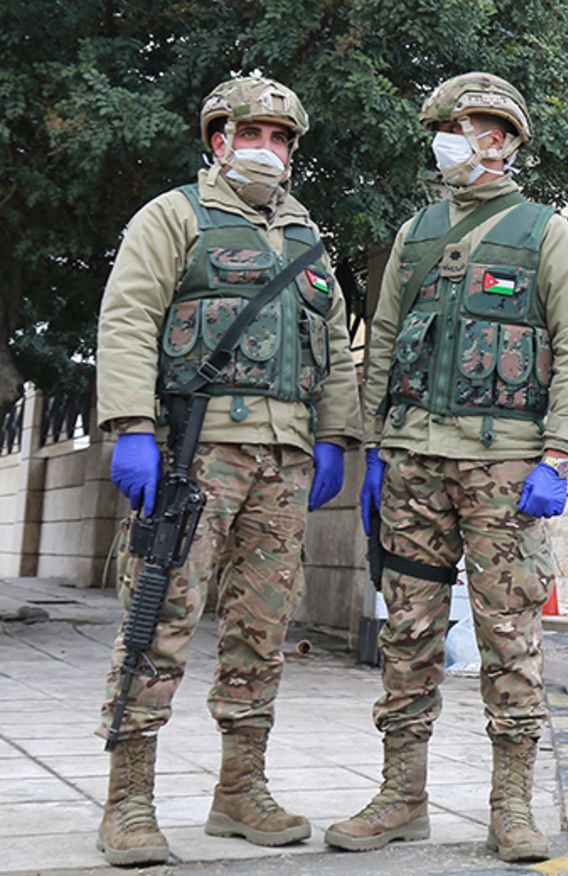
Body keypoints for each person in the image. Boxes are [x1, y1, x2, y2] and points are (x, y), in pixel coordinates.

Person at [325, 72, 568, 863]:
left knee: (509, 637)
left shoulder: (545, 233)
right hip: (413, 467)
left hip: (505, 470)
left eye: (480, 125)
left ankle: (511, 807)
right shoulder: (415, 234)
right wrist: (373, 446)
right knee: (408, 634)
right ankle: (400, 797)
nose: (463, 137)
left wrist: (554, 453)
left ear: (509, 141)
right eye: (453, 124)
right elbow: (383, 340)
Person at [94, 77, 362, 865]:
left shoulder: (308, 240)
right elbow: (130, 316)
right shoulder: (174, 216)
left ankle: (239, 791)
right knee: (160, 620)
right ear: (218, 139)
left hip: (283, 462)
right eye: (254, 134)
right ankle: (128, 803)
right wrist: (131, 427)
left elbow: (337, 351)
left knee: (263, 632)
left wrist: (337, 438)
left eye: (283, 139)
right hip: (193, 456)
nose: (269, 150)